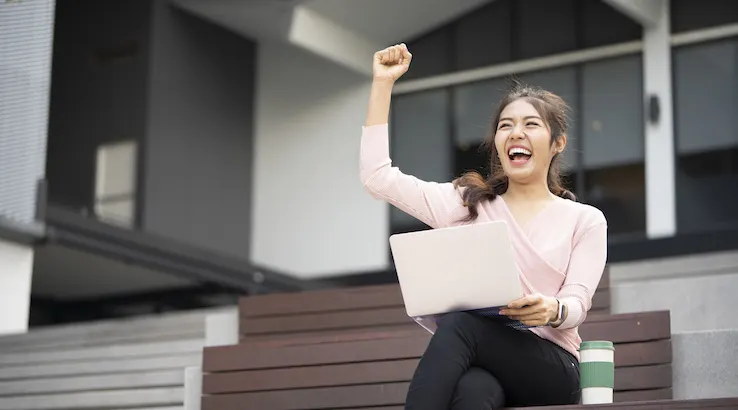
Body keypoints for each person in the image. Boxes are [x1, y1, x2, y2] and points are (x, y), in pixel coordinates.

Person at [360, 43, 608, 409]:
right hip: (483, 360)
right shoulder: (467, 203)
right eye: (506, 126)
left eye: (531, 125)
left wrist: (553, 310)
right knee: (474, 392)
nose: (516, 133)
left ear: (557, 143)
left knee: (461, 326)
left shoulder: (584, 219)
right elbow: (377, 177)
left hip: (553, 367)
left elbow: (577, 303)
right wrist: (382, 84)